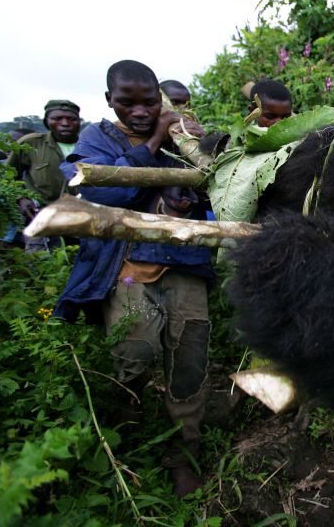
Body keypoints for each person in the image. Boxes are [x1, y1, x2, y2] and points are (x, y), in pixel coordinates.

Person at [54, 60, 214, 497]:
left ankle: (184, 454)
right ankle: (130, 434)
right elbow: (102, 193)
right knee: (134, 351)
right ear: (110, 101)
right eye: (128, 103)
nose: (141, 112)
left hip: (183, 262)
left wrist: (191, 180)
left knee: (189, 360)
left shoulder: (185, 136)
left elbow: (214, 189)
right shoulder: (96, 139)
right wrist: (156, 141)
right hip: (125, 267)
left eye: (149, 102)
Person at [7, 100, 82, 251]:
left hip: (82, 221)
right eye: (57, 118)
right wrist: (21, 198)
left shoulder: (91, 145)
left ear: (79, 122)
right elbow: (8, 176)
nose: (65, 123)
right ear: (47, 121)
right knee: (40, 266)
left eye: (71, 119)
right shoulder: (31, 144)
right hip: (41, 219)